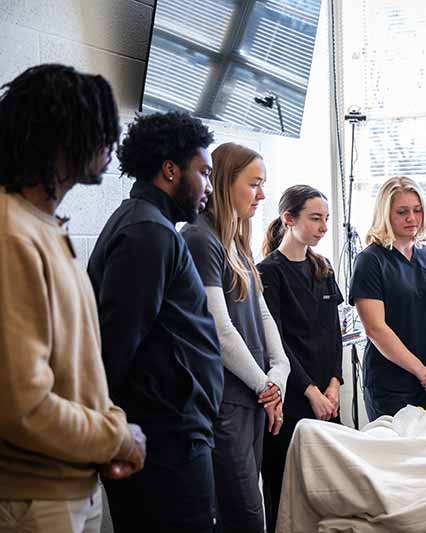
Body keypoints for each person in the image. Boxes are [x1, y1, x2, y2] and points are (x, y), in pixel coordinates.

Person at [0, 64, 145, 532]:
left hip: (70, 483)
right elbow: (23, 406)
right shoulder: (12, 234)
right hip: (33, 497)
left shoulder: (42, 226)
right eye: (101, 128)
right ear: (62, 136)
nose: (111, 144)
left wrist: (109, 433)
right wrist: (117, 437)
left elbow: (76, 371)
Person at [87, 111, 223, 533]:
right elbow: (116, 342)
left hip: (172, 431)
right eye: (203, 172)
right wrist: (107, 434)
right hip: (165, 439)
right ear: (170, 170)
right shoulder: (149, 232)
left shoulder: (147, 224)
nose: (208, 188)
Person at [181, 143, 290, 532]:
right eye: (254, 184)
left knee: (249, 506)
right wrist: (266, 385)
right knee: (244, 514)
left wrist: (280, 371)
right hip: (229, 398)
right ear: (225, 183)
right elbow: (219, 328)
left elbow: (261, 314)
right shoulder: (199, 238)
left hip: (254, 396)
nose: (261, 195)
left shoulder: (238, 242)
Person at [258, 185, 343, 533]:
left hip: (328, 397)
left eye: (326, 219)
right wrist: (311, 392)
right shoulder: (267, 273)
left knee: (329, 491)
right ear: (288, 219)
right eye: (315, 218)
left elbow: (333, 334)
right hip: (293, 400)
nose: (323, 226)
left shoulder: (322, 269)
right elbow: (275, 343)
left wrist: (335, 384)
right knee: (285, 493)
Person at [350, 176, 426, 421]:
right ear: (385, 214)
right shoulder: (371, 260)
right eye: (402, 212)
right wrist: (422, 372)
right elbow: (376, 329)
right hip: (391, 384)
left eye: (417, 210)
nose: (412, 218)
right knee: (394, 454)